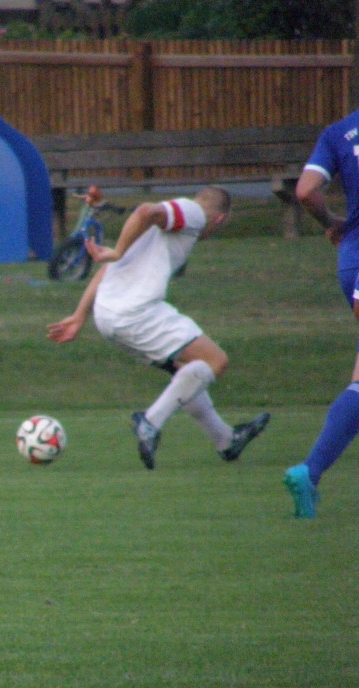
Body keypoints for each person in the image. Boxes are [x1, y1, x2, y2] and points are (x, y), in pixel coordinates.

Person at [47, 186, 269, 469]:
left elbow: (108, 268)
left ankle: (226, 439)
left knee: (186, 371)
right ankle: (150, 422)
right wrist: (117, 251)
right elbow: (144, 211)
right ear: (219, 219)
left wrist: (80, 315)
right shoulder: (194, 214)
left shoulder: (163, 220)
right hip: (136, 312)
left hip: (107, 313)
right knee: (215, 361)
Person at [282, 110, 359, 519]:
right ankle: (309, 470)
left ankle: (309, 472)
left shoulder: (339, 133)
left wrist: (332, 223)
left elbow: (307, 190)